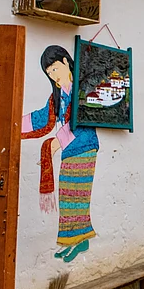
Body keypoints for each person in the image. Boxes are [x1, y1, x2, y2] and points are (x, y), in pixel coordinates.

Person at [22, 46, 100, 262]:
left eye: (55, 69)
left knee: (78, 196)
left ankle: (79, 239)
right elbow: (41, 118)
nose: (53, 75)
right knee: (67, 196)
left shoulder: (81, 89)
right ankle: (73, 241)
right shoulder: (58, 95)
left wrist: (57, 143)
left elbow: (81, 121)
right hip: (69, 150)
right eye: (50, 73)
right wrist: (14, 123)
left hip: (85, 147)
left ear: (66, 62)